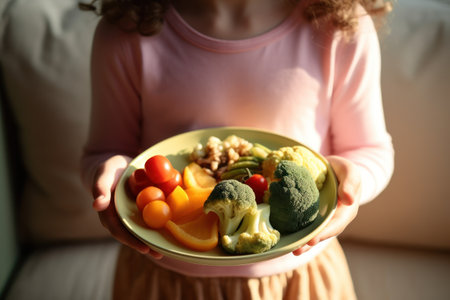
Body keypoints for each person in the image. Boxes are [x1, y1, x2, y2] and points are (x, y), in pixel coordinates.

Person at [80, 0, 394, 299]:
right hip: (164, 280)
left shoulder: (342, 26)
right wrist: (110, 175)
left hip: (299, 277)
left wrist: (353, 180)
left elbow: (370, 149)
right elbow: (106, 150)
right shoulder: (125, 31)